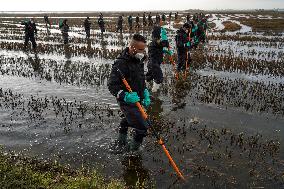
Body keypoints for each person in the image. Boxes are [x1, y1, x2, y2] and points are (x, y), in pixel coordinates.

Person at [108, 34, 150, 152]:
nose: (143, 52)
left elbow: (141, 79)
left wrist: (145, 92)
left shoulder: (139, 60)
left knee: (127, 120)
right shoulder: (120, 63)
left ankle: (121, 141)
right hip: (127, 101)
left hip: (138, 98)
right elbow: (112, 86)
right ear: (132, 47)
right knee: (142, 128)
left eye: (144, 49)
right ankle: (132, 153)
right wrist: (125, 96)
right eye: (141, 49)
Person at [146, 26, 172, 92]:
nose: (160, 39)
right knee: (158, 78)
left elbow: (159, 48)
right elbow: (164, 44)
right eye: (160, 37)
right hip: (153, 64)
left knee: (150, 76)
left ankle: (145, 86)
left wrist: (164, 51)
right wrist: (165, 39)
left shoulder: (155, 43)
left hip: (153, 63)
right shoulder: (154, 42)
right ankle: (154, 91)